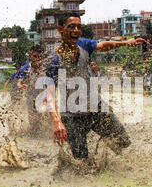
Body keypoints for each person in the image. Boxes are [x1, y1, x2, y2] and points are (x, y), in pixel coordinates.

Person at [44, 13, 146, 160]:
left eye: (79, 26)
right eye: (71, 26)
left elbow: (103, 45)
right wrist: (57, 121)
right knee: (81, 161)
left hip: (96, 108)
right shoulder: (53, 60)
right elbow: (49, 94)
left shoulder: (84, 45)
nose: (76, 30)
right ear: (61, 29)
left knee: (122, 143)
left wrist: (126, 43)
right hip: (72, 117)